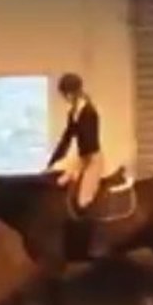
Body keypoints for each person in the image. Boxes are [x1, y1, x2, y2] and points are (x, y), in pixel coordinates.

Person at [46, 72, 109, 256]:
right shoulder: (73, 113)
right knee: (59, 183)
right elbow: (66, 139)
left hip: (93, 159)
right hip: (82, 159)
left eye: (65, 94)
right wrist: (52, 163)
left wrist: (78, 168)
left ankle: (98, 241)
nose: (64, 98)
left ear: (72, 92)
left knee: (83, 200)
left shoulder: (89, 112)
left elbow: (90, 143)